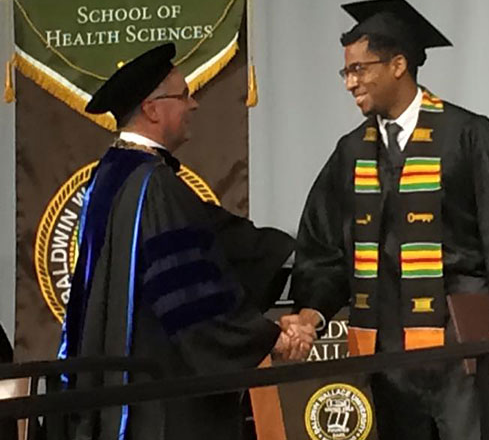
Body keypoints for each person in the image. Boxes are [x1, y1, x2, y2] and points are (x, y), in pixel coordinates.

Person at [282, 0, 489, 439]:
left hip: (465, 347)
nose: (350, 83)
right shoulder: (351, 151)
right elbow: (325, 244)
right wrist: (311, 312)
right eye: (346, 72)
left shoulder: (467, 134)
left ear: (397, 65)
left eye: (359, 69)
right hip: (389, 352)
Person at [57, 43, 310, 440]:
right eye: (184, 95)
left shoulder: (111, 175)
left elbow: (216, 238)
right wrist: (270, 336)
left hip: (122, 383)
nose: (193, 105)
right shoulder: (153, 185)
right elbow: (192, 297)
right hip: (161, 399)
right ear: (152, 109)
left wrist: (305, 260)